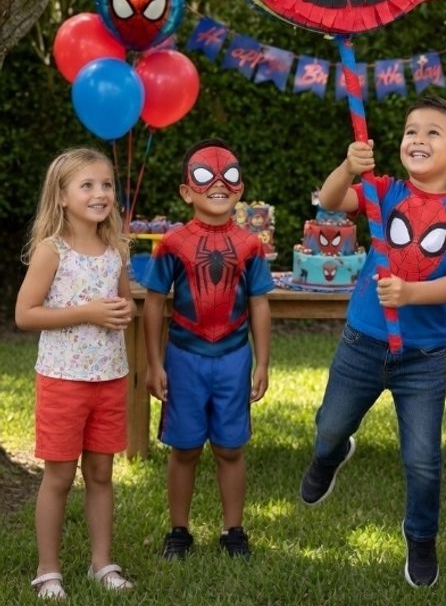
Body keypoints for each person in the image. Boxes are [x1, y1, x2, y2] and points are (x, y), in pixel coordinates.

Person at [300, 95, 446, 588]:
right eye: (410, 131)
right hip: (362, 343)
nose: (417, 139)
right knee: (330, 426)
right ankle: (329, 455)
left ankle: (421, 536)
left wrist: (411, 293)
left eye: (432, 133)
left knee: (423, 459)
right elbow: (331, 201)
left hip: (423, 358)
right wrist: (348, 166)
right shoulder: (384, 191)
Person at [141, 139, 272, 561]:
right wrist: (154, 363)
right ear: (186, 191)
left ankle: (233, 530)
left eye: (228, 175)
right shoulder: (172, 244)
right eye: (204, 175)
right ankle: (178, 530)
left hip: (234, 358)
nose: (218, 183)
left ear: (240, 188)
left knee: (231, 447)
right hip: (184, 358)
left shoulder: (251, 245)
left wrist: (263, 362)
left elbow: (259, 303)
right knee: (185, 448)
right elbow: (154, 303)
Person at [15, 148, 135, 599]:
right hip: (63, 381)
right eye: (87, 185)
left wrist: (123, 310)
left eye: (106, 185)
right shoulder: (52, 251)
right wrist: (87, 312)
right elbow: (25, 314)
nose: (100, 193)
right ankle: (48, 571)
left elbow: (122, 303)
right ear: (62, 196)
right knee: (60, 477)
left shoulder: (116, 249)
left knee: (101, 473)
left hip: (110, 378)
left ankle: (102, 564)